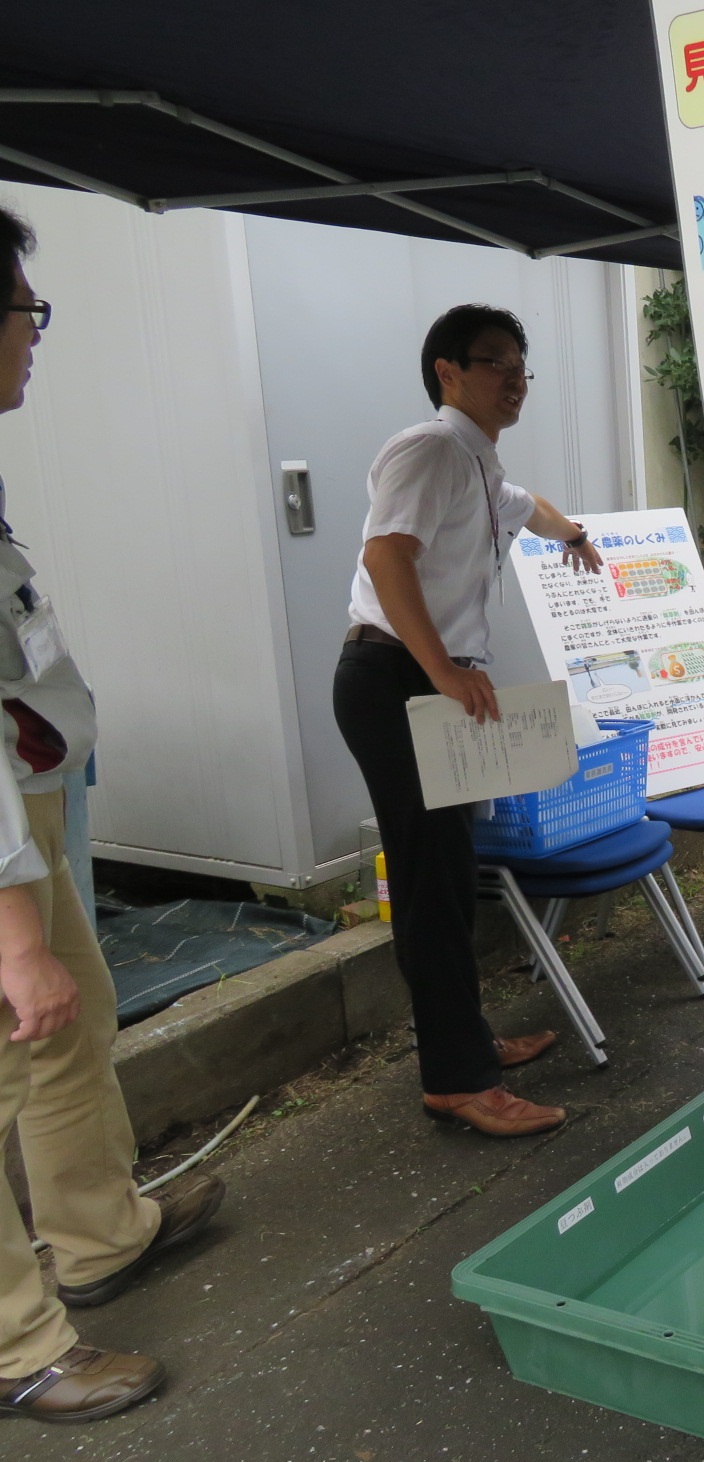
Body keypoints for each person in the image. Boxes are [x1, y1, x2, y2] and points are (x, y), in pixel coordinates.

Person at [0, 206, 226, 1423]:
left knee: (67, 1032)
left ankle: (96, 1231)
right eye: (28, 309)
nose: (37, 335)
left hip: (25, 815)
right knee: (12, 1038)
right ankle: (17, 1346)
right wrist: (13, 932)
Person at [333, 305, 603, 1139]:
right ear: (447, 372)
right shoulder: (429, 449)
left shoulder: (481, 467)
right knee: (430, 882)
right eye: (495, 363)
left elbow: (534, 507)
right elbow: (388, 554)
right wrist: (444, 668)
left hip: (428, 683)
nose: (515, 379)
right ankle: (457, 1078)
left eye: (522, 365)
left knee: (450, 873)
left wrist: (578, 536)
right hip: (395, 679)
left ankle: (468, 1042)